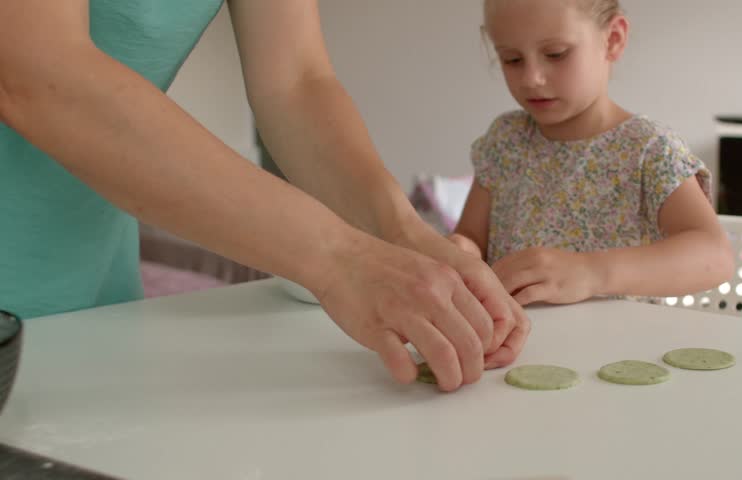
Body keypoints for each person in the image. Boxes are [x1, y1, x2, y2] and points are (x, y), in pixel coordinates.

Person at [0, 0, 529, 392]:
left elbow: (293, 82)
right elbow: (36, 70)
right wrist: (340, 257)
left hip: (93, 307)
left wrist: (403, 234)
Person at [449, 0, 734, 306]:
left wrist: (591, 272)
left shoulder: (648, 148)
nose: (531, 78)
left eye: (555, 54)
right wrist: (459, 249)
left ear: (613, 39)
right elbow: (472, 238)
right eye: (512, 59)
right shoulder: (505, 140)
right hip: (522, 346)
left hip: (615, 346)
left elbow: (714, 256)